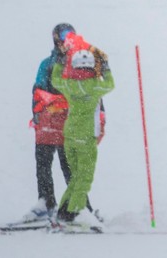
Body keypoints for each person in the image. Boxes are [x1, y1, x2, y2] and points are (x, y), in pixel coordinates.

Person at [24, 23, 105, 223]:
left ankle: (80, 207)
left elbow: (93, 92)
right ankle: (46, 202)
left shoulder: (80, 63)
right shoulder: (48, 64)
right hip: (49, 122)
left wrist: (99, 117)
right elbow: (38, 89)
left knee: (70, 166)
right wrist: (38, 113)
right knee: (42, 161)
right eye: (62, 39)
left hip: (71, 124)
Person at [51, 29, 115, 224]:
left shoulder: (69, 85)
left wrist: (61, 62)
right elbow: (110, 84)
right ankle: (74, 214)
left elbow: (55, 80)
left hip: (69, 136)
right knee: (84, 179)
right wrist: (105, 67)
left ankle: (63, 211)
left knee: (76, 178)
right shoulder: (95, 86)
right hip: (86, 138)